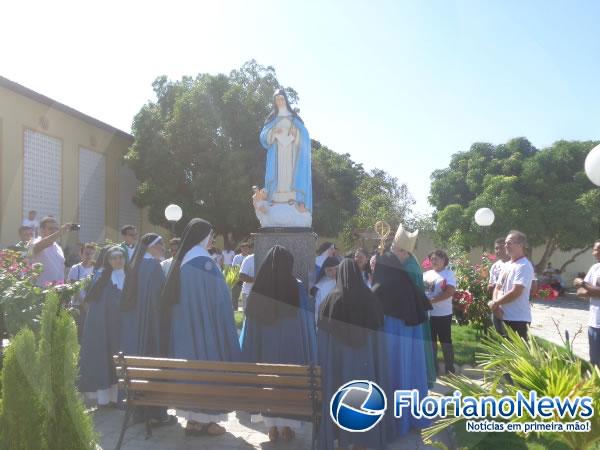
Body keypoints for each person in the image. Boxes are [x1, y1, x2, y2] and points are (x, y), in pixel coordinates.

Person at [163, 219, 241, 436]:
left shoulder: (184, 261)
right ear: (202, 236)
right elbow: (220, 298)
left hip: (185, 328)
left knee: (191, 371)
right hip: (206, 326)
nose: (212, 239)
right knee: (206, 367)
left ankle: (192, 420)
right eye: (211, 234)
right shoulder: (204, 263)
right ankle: (206, 421)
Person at [240, 245, 316, 443]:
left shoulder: (259, 288)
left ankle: (271, 427)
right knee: (288, 383)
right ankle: (287, 426)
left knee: (267, 382)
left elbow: (249, 325)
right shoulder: (296, 285)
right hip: (292, 345)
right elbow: (305, 320)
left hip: (264, 348)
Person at [317, 258, 386, 450]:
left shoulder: (330, 299)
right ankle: (362, 442)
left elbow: (322, 333)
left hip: (338, 359)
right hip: (365, 359)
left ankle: (342, 441)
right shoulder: (370, 297)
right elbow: (379, 330)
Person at [372, 251, 430, 437]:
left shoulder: (380, 289)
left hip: (391, 338)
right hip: (410, 337)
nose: (372, 270)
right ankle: (412, 418)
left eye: (375, 266)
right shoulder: (407, 285)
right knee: (410, 372)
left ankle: (394, 422)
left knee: (393, 374)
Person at [120, 233, 171, 426]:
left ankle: (139, 412)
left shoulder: (136, 265)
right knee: (153, 365)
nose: (163, 248)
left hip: (136, 326)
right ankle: (156, 413)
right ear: (150, 247)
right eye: (160, 244)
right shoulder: (153, 267)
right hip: (152, 326)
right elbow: (161, 300)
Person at [391, 224, 437, 387]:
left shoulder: (409, 267)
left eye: (394, 248)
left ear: (404, 251)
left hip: (412, 312)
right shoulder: (408, 263)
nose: (391, 252)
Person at [79, 246, 126, 406]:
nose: (117, 260)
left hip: (121, 327)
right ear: (108, 260)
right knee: (105, 359)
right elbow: (95, 306)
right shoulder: (102, 277)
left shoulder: (130, 275)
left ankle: (119, 397)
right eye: (113, 257)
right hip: (104, 328)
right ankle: (106, 398)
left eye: (120, 257)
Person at [488, 230, 534, 340]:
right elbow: (497, 287)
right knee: (502, 351)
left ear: (520, 245)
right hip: (501, 315)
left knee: (514, 356)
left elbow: (516, 291)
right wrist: (496, 306)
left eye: (509, 243)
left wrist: (496, 303)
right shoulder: (507, 265)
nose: (506, 246)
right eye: (505, 243)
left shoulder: (524, 265)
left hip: (517, 319)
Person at [423, 249, 456, 374]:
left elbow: (450, 292)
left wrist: (432, 301)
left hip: (443, 314)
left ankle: (450, 368)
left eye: (437, 259)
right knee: (431, 342)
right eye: (432, 259)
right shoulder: (426, 275)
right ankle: (433, 368)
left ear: (444, 260)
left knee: (445, 341)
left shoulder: (448, 274)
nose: (434, 261)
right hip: (428, 315)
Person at [28, 216, 77, 287]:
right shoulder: (33, 242)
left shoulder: (58, 247)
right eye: (50, 229)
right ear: (41, 230)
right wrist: (59, 232)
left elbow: (60, 269)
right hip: (40, 292)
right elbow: (34, 249)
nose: (54, 231)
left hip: (56, 291)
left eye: (56, 229)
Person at [574, 240, 600, 366]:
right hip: (594, 323)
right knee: (595, 362)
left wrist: (584, 283)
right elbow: (579, 292)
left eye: (596, 249)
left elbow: (582, 286)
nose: (593, 252)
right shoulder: (595, 268)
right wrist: (593, 291)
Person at [67, 243, 96, 340]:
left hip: (92, 305)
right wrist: (84, 304)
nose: (89, 256)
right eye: (87, 253)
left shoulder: (96, 268)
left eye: (91, 254)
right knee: (78, 333)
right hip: (78, 306)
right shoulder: (76, 268)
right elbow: (74, 289)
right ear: (81, 253)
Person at [488, 237, 510, 334]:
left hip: (511, 309)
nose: (498, 251)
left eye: (501, 248)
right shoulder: (495, 266)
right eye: (496, 248)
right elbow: (491, 284)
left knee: (513, 340)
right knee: (501, 337)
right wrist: (490, 286)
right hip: (497, 307)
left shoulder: (515, 264)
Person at [312, 257, 339, 324]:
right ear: (324, 270)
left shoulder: (344, 282)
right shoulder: (320, 287)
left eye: (336, 268)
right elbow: (317, 309)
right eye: (330, 270)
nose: (334, 272)